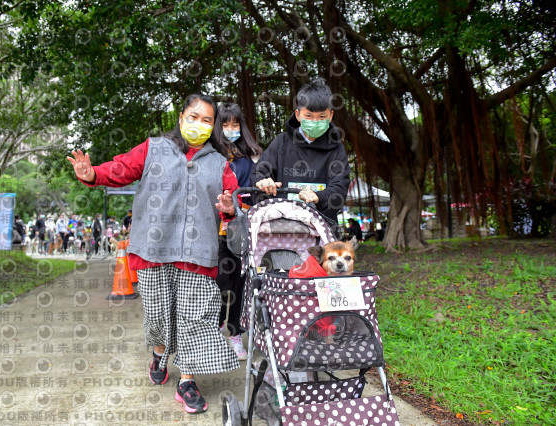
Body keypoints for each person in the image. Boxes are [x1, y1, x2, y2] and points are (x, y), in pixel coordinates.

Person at [67, 93, 240, 414]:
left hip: (198, 254)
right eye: (193, 117)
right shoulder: (154, 148)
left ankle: (187, 380)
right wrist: (91, 174)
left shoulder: (220, 163)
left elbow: (233, 203)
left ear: (213, 125)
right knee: (159, 316)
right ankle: (159, 354)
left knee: (196, 318)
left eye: (207, 120)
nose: (199, 124)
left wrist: (230, 207)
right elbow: (120, 169)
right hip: (153, 250)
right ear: (181, 118)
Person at [251, 79, 351, 233]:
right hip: (280, 228)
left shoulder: (336, 149)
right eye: (309, 116)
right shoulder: (281, 142)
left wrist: (319, 197)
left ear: (331, 116)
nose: (315, 122)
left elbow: (340, 187)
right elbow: (259, 173)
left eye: (322, 117)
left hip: (321, 228)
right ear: (298, 115)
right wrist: (263, 182)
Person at [216, 102, 263, 360]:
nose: (231, 129)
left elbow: (257, 191)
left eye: (235, 124)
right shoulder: (212, 154)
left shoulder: (253, 155)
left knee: (240, 283)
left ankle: (235, 333)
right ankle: (213, 329)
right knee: (219, 283)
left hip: (243, 228)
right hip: (215, 229)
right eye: (225, 124)